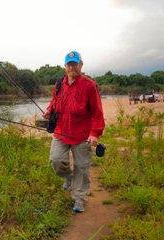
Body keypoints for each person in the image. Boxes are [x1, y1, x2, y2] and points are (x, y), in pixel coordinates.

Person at [43, 51, 105, 212]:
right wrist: (49, 110)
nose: (72, 67)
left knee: (82, 167)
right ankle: (68, 178)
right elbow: (54, 102)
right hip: (61, 131)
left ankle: (79, 198)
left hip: (82, 134)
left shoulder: (89, 85)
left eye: (75, 64)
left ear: (81, 65)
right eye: (69, 64)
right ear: (65, 66)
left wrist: (94, 133)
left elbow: (98, 113)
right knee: (56, 160)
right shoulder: (59, 84)